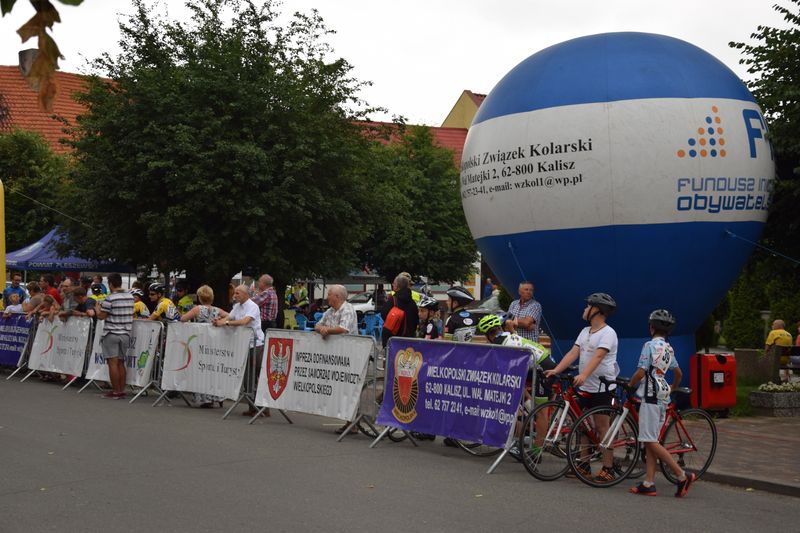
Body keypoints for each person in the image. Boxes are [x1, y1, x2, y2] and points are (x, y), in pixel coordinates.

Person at [545, 292, 619, 481]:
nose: (584, 309)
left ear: (597, 311)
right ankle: (584, 465)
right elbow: (572, 353)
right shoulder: (585, 332)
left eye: (588, 307)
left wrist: (584, 375)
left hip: (603, 387)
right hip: (586, 386)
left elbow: (599, 356)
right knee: (583, 426)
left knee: (603, 427)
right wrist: (556, 370)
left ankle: (608, 468)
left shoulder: (608, 333)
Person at [628, 309, 696, 497]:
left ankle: (682, 475)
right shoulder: (669, 348)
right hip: (663, 397)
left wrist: (630, 385)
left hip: (649, 396)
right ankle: (649, 483)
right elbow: (679, 374)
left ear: (651, 328)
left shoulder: (649, 345)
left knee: (649, 440)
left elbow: (641, 372)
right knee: (652, 440)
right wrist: (672, 387)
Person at [476, 314, 556, 460]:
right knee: (518, 389)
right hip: (535, 367)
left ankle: (536, 453)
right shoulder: (507, 336)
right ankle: (529, 408)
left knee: (541, 412)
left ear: (488, 335)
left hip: (544, 370)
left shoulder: (500, 342)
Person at [213, 285, 265, 417]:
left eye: (238, 293)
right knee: (248, 377)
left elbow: (244, 321)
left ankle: (263, 406)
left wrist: (225, 324)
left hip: (256, 344)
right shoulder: (236, 306)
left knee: (257, 375)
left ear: (246, 294)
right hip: (243, 345)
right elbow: (229, 318)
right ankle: (252, 407)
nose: (235, 295)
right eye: (235, 292)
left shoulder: (252, 306)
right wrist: (218, 322)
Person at [181, 285, 224, 408]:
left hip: (201, 342)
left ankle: (205, 399)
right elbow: (230, 315)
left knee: (201, 369)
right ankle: (217, 397)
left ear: (200, 297)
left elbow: (183, 319)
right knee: (213, 369)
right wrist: (219, 321)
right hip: (214, 343)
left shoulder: (197, 309)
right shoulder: (217, 310)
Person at [95, 273, 134, 399]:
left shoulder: (110, 298)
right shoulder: (130, 296)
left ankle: (116, 391)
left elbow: (102, 316)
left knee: (112, 363)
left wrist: (97, 309)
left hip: (111, 333)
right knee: (121, 363)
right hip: (126, 333)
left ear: (110, 284)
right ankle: (121, 390)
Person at [381, 274, 420, 347]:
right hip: (409, 341)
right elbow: (416, 320)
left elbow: (383, 314)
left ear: (397, 286)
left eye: (394, 283)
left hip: (394, 340)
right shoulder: (413, 302)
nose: (393, 285)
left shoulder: (393, 300)